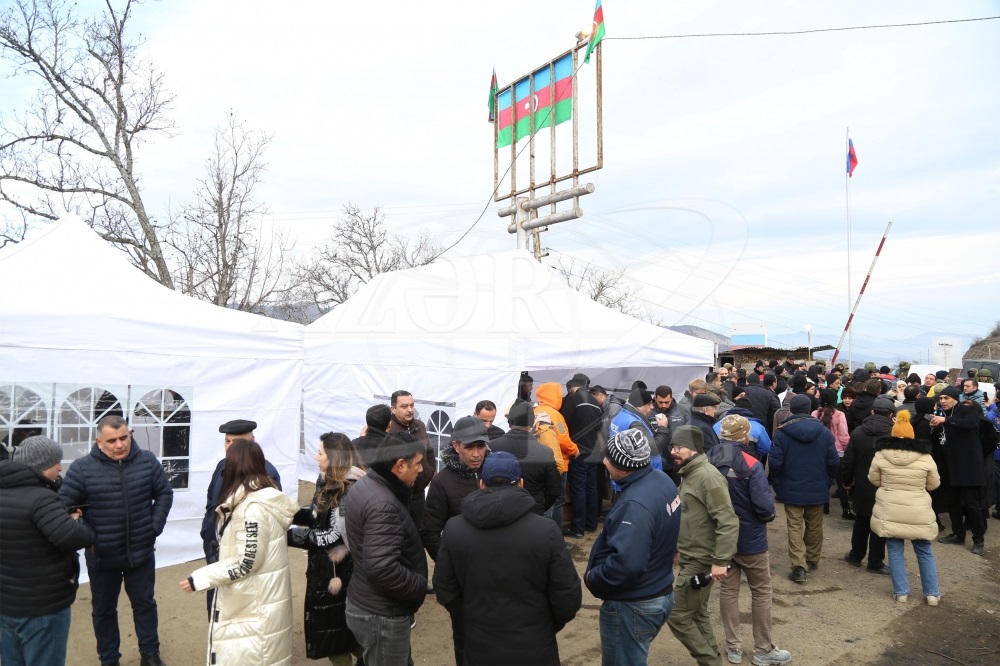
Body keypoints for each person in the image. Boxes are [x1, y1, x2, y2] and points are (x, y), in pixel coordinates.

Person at [435, 452, 581, 666]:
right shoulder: (546, 531)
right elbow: (568, 597)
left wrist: (470, 617)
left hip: (479, 647)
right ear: (521, 483)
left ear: (482, 484)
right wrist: (543, 626)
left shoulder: (455, 529)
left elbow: (444, 587)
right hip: (535, 649)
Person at [60, 415, 173, 666]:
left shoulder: (147, 461)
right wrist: (88, 537)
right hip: (102, 556)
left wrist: (154, 527)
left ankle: (150, 654)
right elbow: (65, 506)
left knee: (145, 604)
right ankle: (109, 660)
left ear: (130, 434)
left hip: (141, 553)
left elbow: (164, 492)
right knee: (103, 611)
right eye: (112, 441)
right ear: (99, 441)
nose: (119, 445)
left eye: (124, 437)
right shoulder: (82, 468)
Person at [180, 440, 299, 666]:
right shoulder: (262, 497)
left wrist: (199, 578)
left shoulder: (251, 509)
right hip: (260, 601)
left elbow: (246, 563)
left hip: (254, 604)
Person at [586, 429, 681, 666]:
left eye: (608, 458)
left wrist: (593, 578)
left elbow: (626, 566)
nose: (604, 462)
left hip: (634, 604)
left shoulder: (635, 505)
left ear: (626, 468)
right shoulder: (662, 480)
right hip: (659, 591)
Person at [0, 436, 94, 666]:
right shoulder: (42, 498)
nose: (60, 468)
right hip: (42, 607)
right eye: (56, 463)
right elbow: (73, 537)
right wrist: (75, 521)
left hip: (7, 604)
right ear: (43, 466)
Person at [707, 418, 791, 666]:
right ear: (744, 437)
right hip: (751, 539)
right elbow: (765, 508)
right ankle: (763, 649)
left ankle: (733, 647)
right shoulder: (752, 465)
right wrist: (767, 517)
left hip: (721, 539)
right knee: (761, 591)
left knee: (728, 590)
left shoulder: (706, 462)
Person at [344, 434, 428, 666]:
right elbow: (381, 568)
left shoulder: (368, 484)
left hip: (369, 603)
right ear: (400, 465)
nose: (421, 469)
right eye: (418, 463)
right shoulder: (383, 504)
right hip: (381, 614)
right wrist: (418, 586)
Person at [287, 433, 365, 663]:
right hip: (328, 572)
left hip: (341, 575)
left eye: (320, 452)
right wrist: (286, 513)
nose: (315, 457)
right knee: (342, 636)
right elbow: (316, 515)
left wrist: (288, 535)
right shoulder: (328, 481)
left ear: (333, 458)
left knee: (339, 639)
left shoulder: (347, 490)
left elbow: (333, 535)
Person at [667, 426, 740, 666]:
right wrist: (677, 546)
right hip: (691, 555)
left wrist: (720, 561)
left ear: (694, 448)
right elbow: (689, 515)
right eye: (672, 447)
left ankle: (709, 661)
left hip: (701, 559)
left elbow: (728, 521)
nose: (673, 452)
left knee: (676, 614)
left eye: (678, 447)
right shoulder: (689, 473)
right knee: (696, 612)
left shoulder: (708, 477)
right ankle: (713, 660)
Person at [201, 419, 281, 615]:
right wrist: (207, 534)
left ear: (251, 442)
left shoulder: (266, 473)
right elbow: (212, 504)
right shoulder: (222, 466)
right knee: (217, 611)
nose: (230, 447)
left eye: (236, 443)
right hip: (216, 554)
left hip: (243, 560)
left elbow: (269, 524)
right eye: (227, 442)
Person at [868, 411, 942, 605]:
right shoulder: (925, 457)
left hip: (890, 507)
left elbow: (874, 479)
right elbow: (933, 484)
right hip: (918, 508)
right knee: (924, 550)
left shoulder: (881, 455)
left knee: (894, 549)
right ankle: (932, 594)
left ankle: (901, 592)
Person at [769, 395, 840, 583]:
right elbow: (833, 460)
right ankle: (812, 558)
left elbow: (775, 461)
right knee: (815, 524)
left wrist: (777, 479)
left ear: (791, 409)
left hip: (790, 484)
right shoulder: (824, 432)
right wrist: (829, 478)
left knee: (794, 525)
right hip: (817, 484)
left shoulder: (783, 432)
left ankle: (799, 566)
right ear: (810, 409)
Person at [840, 397, 895, 574]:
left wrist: (847, 481)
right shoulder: (894, 434)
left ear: (872, 412)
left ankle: (856, 555)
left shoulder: (858, 432)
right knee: (880, 523)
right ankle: (875, 561)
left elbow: (848, 461)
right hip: (885, 485)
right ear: (891, 414)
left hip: (862, 483)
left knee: (862, 520)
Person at [932, 386, 987, 555]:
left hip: (969, 469)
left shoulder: (966, 409)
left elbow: (971, 423)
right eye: (941, 399)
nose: (943, 401)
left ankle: (978, 540)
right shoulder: (947, 415)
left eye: (946, 398)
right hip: (951, 468)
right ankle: (958, 534)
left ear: (955, 398)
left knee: (972, 504)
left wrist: (945, 421)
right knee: (952, 503)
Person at [489, 399, 560, 515]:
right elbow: (554, 490)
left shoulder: (492, 446)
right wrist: (539, 506)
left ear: (509, 423)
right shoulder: (545, 452)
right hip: (532, 510)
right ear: (532, 423)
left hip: (499, 508)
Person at [561, 373, 604, 540]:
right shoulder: (595, 402)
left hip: (577, 451)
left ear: (573, 387)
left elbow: (563, 423)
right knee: (591, 487)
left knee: (578, 488)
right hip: (592, 451)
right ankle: (591, 524)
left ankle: (578, 528)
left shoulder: (573, 399)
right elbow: (598, 427)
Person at [387, 390, 435, 528]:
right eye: (404, 406)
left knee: (418, 533)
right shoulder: (388, 430)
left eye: (412, 405)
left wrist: (430, 471)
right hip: (398, 497)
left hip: (419, 495)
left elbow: (429, 451)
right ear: (393, 409)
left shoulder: (419, 425)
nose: (410, 410)